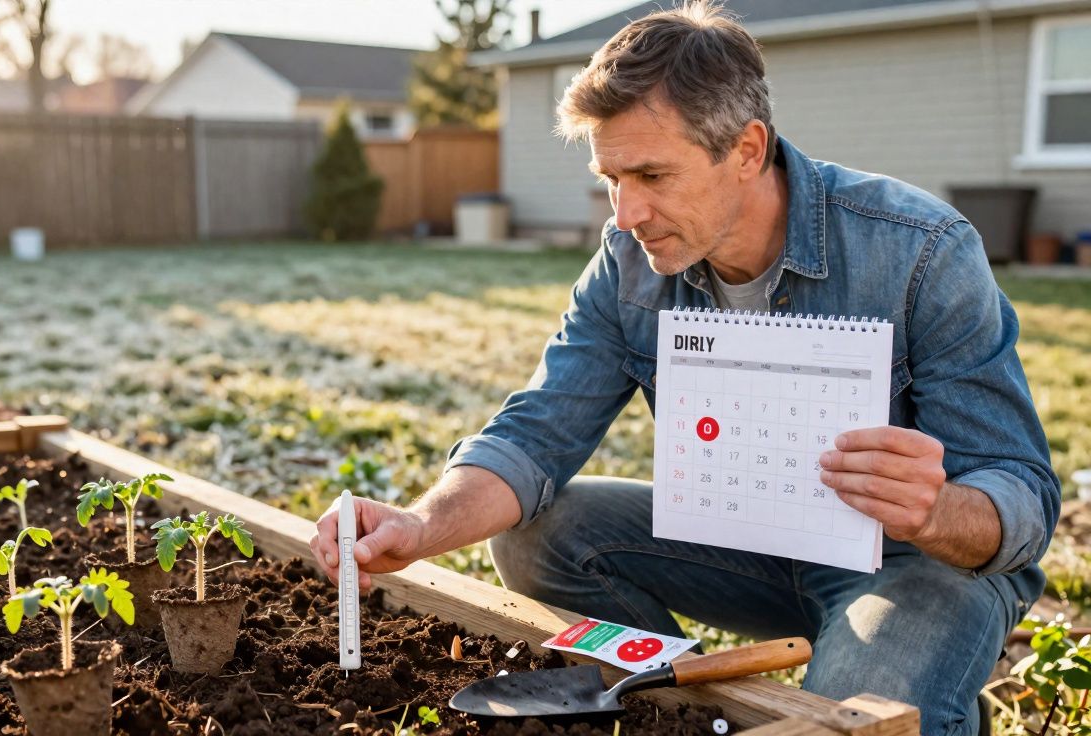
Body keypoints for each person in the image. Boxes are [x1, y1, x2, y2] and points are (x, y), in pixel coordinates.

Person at [309, 2, 1060, 733]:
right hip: (747, 542)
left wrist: (936, 511)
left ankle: (935, 694)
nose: (624, 213)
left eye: (652, 177)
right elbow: (539, 431)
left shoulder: (919, 250)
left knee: (851, 714)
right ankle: (690, 710)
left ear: (746, 149)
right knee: (542, 532)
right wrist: (419, 523)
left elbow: (1020, 490)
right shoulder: (629, 262)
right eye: (611, 178)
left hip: (914, 562)